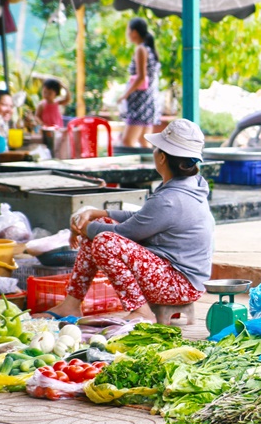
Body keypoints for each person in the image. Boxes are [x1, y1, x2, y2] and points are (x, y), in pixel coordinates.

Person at [36, 119, 214, 323]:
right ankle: (72, 304)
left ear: (162, 157)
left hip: (180, 285)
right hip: (177, 277)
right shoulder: (189, 185)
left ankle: (141, 311)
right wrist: (97, 213)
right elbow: (144, 218)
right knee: (101, 226)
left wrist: (84, 227)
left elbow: (126, 232)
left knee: (105, 241)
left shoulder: (170, 199)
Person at [118, 17, 160, 148]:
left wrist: (125, 94)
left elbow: (141, 77)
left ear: (134, 32)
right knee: (144, 141)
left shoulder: (141, 49)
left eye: (128, 31)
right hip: (149, 101)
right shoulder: (150, 49)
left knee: (127, 141)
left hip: (140, 103)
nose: (127, 34)